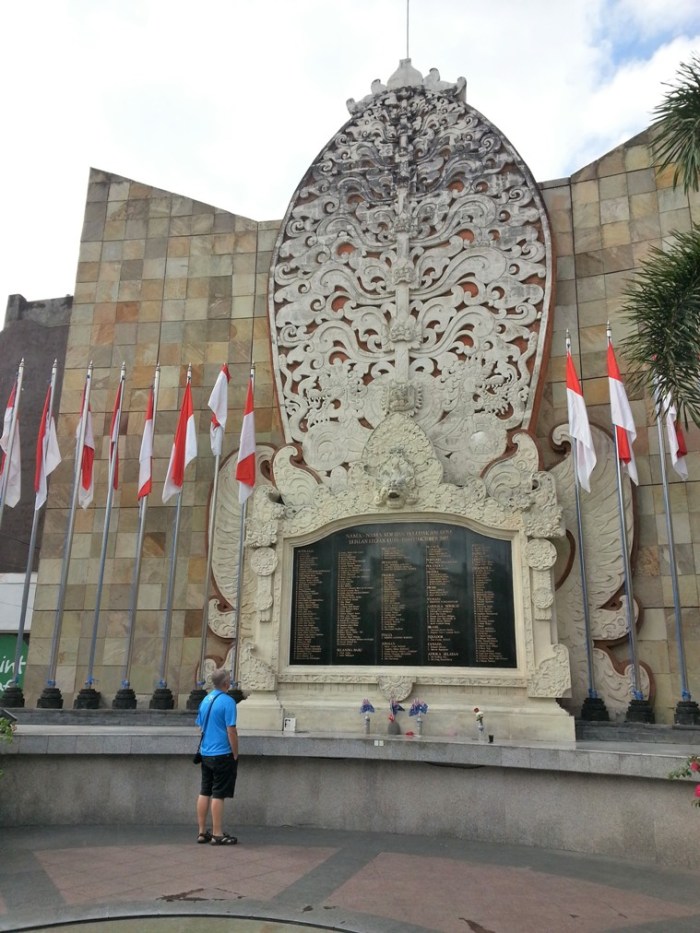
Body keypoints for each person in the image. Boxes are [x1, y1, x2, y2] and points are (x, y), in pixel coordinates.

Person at [195, 667, 239, 845]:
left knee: (205, 790)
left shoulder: (206, 700)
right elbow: (231, 731)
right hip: (222, 753)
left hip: (205, 753)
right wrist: (235, 752)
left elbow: (200, 725)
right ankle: (217, 833)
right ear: (227, 683)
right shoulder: (228, 702)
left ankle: (201, 831)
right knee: (218, 793)